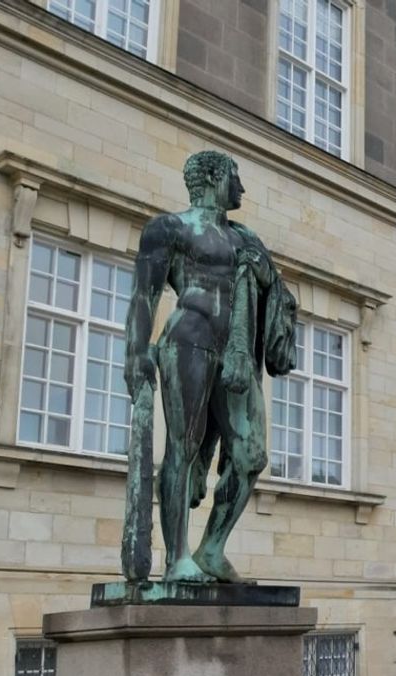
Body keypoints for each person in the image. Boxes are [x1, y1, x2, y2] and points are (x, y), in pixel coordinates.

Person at [125, 151, 297, 583]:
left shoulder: (248, 240)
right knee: (183, 447)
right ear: (214, 178)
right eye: (235, 178)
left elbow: (281, 298)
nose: (241, 189)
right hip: (190, 339)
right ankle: (177, 557)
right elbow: (143, 296)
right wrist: (136, 352)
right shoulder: (169, 228)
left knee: (250, 454)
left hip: (235, 351)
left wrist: (267, 279)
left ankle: (211, 549)